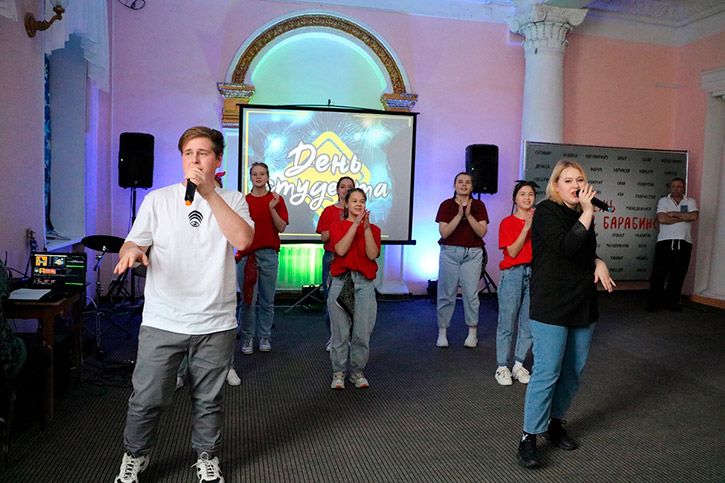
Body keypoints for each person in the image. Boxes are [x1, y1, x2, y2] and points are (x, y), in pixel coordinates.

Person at [113, 126, 254, 483]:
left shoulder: (234, 199)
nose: (194, 160)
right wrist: (131, 252)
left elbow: (242, 239)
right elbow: (134, 241)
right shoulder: (158, 200)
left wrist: (209, 194)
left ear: (217, 160)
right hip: (163, 319)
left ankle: (207, 457)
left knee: (208, 400)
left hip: (215, 322)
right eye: (188, 153)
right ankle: (135, 455)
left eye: (203, 153)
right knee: (147, 398)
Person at [517, 160, 615, 469]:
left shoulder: (583, 215)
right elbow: (565, 247)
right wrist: (587, 212)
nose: (575, 185)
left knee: (573, 371)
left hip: (582, 301)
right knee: (547, 371)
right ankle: (529, 435)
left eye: (580, 179)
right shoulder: (546, 211)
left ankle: (554, 422)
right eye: (568, 180)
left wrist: (598, 262)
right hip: (551, 303)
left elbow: (584, 253)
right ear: (556, 186)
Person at [176, 172, 241, 389]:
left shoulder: (228, 206)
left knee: (221, 330)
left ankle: (228, 367)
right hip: (187, 282)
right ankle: (180, 372)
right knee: (185, 327)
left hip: (217, 282)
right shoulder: (183, 207)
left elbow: (239, 239)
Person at [327, 188, 381, 389]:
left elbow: (372, 255)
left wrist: (365, 229)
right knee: (340, 333)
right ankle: (338, 372)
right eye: (355, 201)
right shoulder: (337, 226)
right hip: (342, 281)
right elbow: (340, 250)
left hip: (364, 284)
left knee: (362, 333)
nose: (359, 204)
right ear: (347, 204)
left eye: (362, 201)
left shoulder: (374, 229)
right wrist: (355, 225)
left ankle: (357, 372)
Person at [236, 162, 289, 355]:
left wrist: (272, 209)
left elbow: (281, 227)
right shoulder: (243, 201)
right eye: (255, 174)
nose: (258, 177)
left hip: (268, 255)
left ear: (268, 177)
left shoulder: (276, 199)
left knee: (267, 301)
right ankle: (247, 337)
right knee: (248, 301)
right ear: (250, 177)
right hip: (247, 255)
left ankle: (265, 336)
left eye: (262, 174)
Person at [435, 172, 489, 348]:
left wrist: (469, 215)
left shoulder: (479, 205)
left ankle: (472, 334)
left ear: (472, 187)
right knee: (446, 293)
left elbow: (482, 232)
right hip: (450, 252)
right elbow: (444, 233)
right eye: (460, 182)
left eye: (467, 182)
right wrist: (459, 215)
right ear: (454, 185)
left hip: (473, 253)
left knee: (471, 294)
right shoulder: (446, 205)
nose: (464, 185)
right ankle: (442, 332)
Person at [494, 180, 537, 386]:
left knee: (528, 321)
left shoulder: (540, 222)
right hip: (513, 273)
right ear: (515, 199)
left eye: (530, 194)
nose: (527, 198)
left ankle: (519, 364)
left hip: (534, 272)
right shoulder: (507, 222)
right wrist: (526, 227)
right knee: (507, 321)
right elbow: (512, 252)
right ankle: (502, 366)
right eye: (523, 194)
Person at [646, 178, 698, 312]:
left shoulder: (690, 201)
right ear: (670, 188)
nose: (676, 189)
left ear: (683, 188)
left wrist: (674, 214)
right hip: (664, 242)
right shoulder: (664, 201)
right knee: (658, 273)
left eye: (679, 186)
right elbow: (662, 219)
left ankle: (672, 303)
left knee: (678, 274)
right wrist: (684, 217)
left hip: (684, 242)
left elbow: (693, 216)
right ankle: (653, 303)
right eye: (674, 186)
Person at [316, 176, 355, 351]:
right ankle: (334, 336)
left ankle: (347, 337)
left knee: (351, 299)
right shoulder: (328, 211)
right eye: (343, 186)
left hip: (352, 258)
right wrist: (338, 225)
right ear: (337, 190)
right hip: (332, 257)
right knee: (331, 299)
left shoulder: (357, 210)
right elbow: (323, 237)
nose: (346, 189)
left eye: (350, 186)